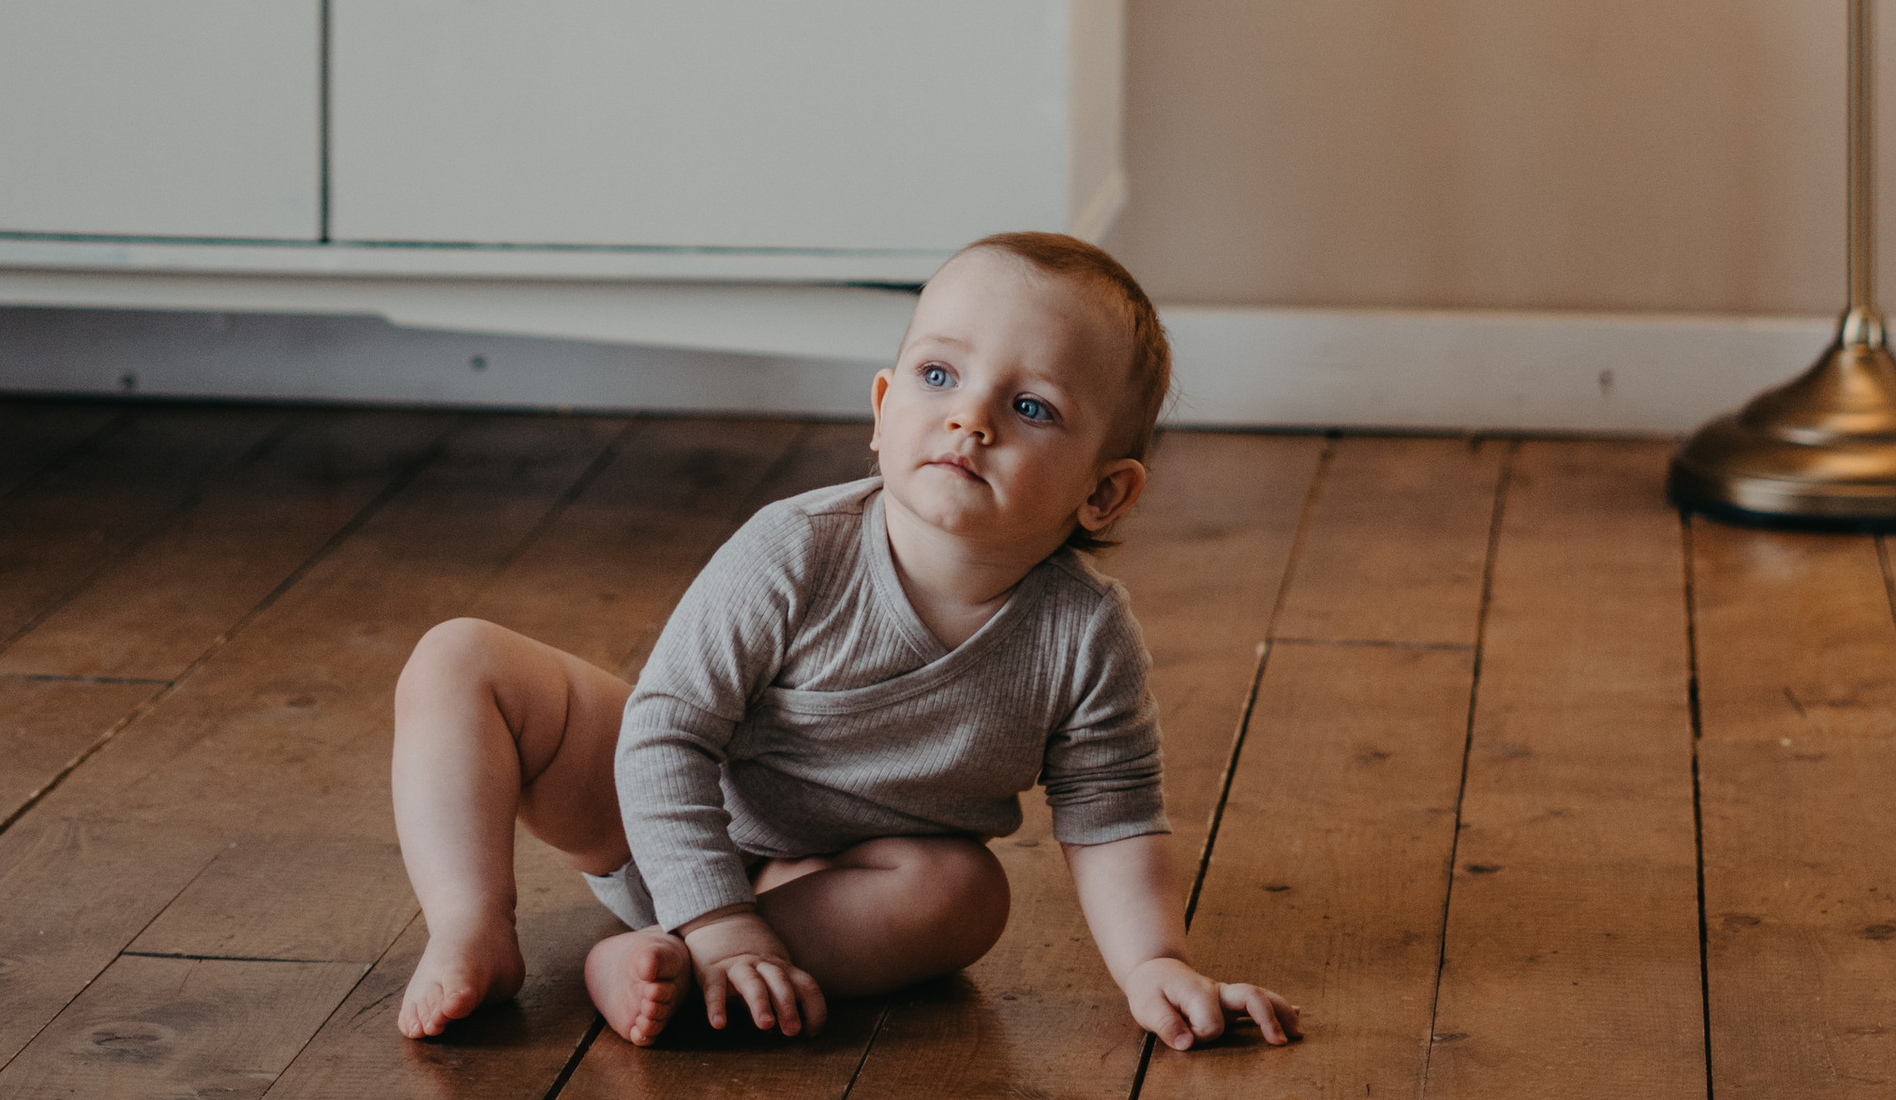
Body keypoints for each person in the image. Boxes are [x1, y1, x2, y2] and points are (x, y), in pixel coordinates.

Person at [391, 229, 1294, 1054]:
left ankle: (663, 960)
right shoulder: (796, 549)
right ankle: (474, 925)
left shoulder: (1084, 637)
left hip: (840, 886)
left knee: (966, 895)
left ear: (1103, 494)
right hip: (660, 812)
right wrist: (716, 914)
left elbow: (1112, 816)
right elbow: (665, 734)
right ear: (882, 406)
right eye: (939, 377)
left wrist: (1153, 966)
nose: (970, 419)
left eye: (1030, 407)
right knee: (458, 656)